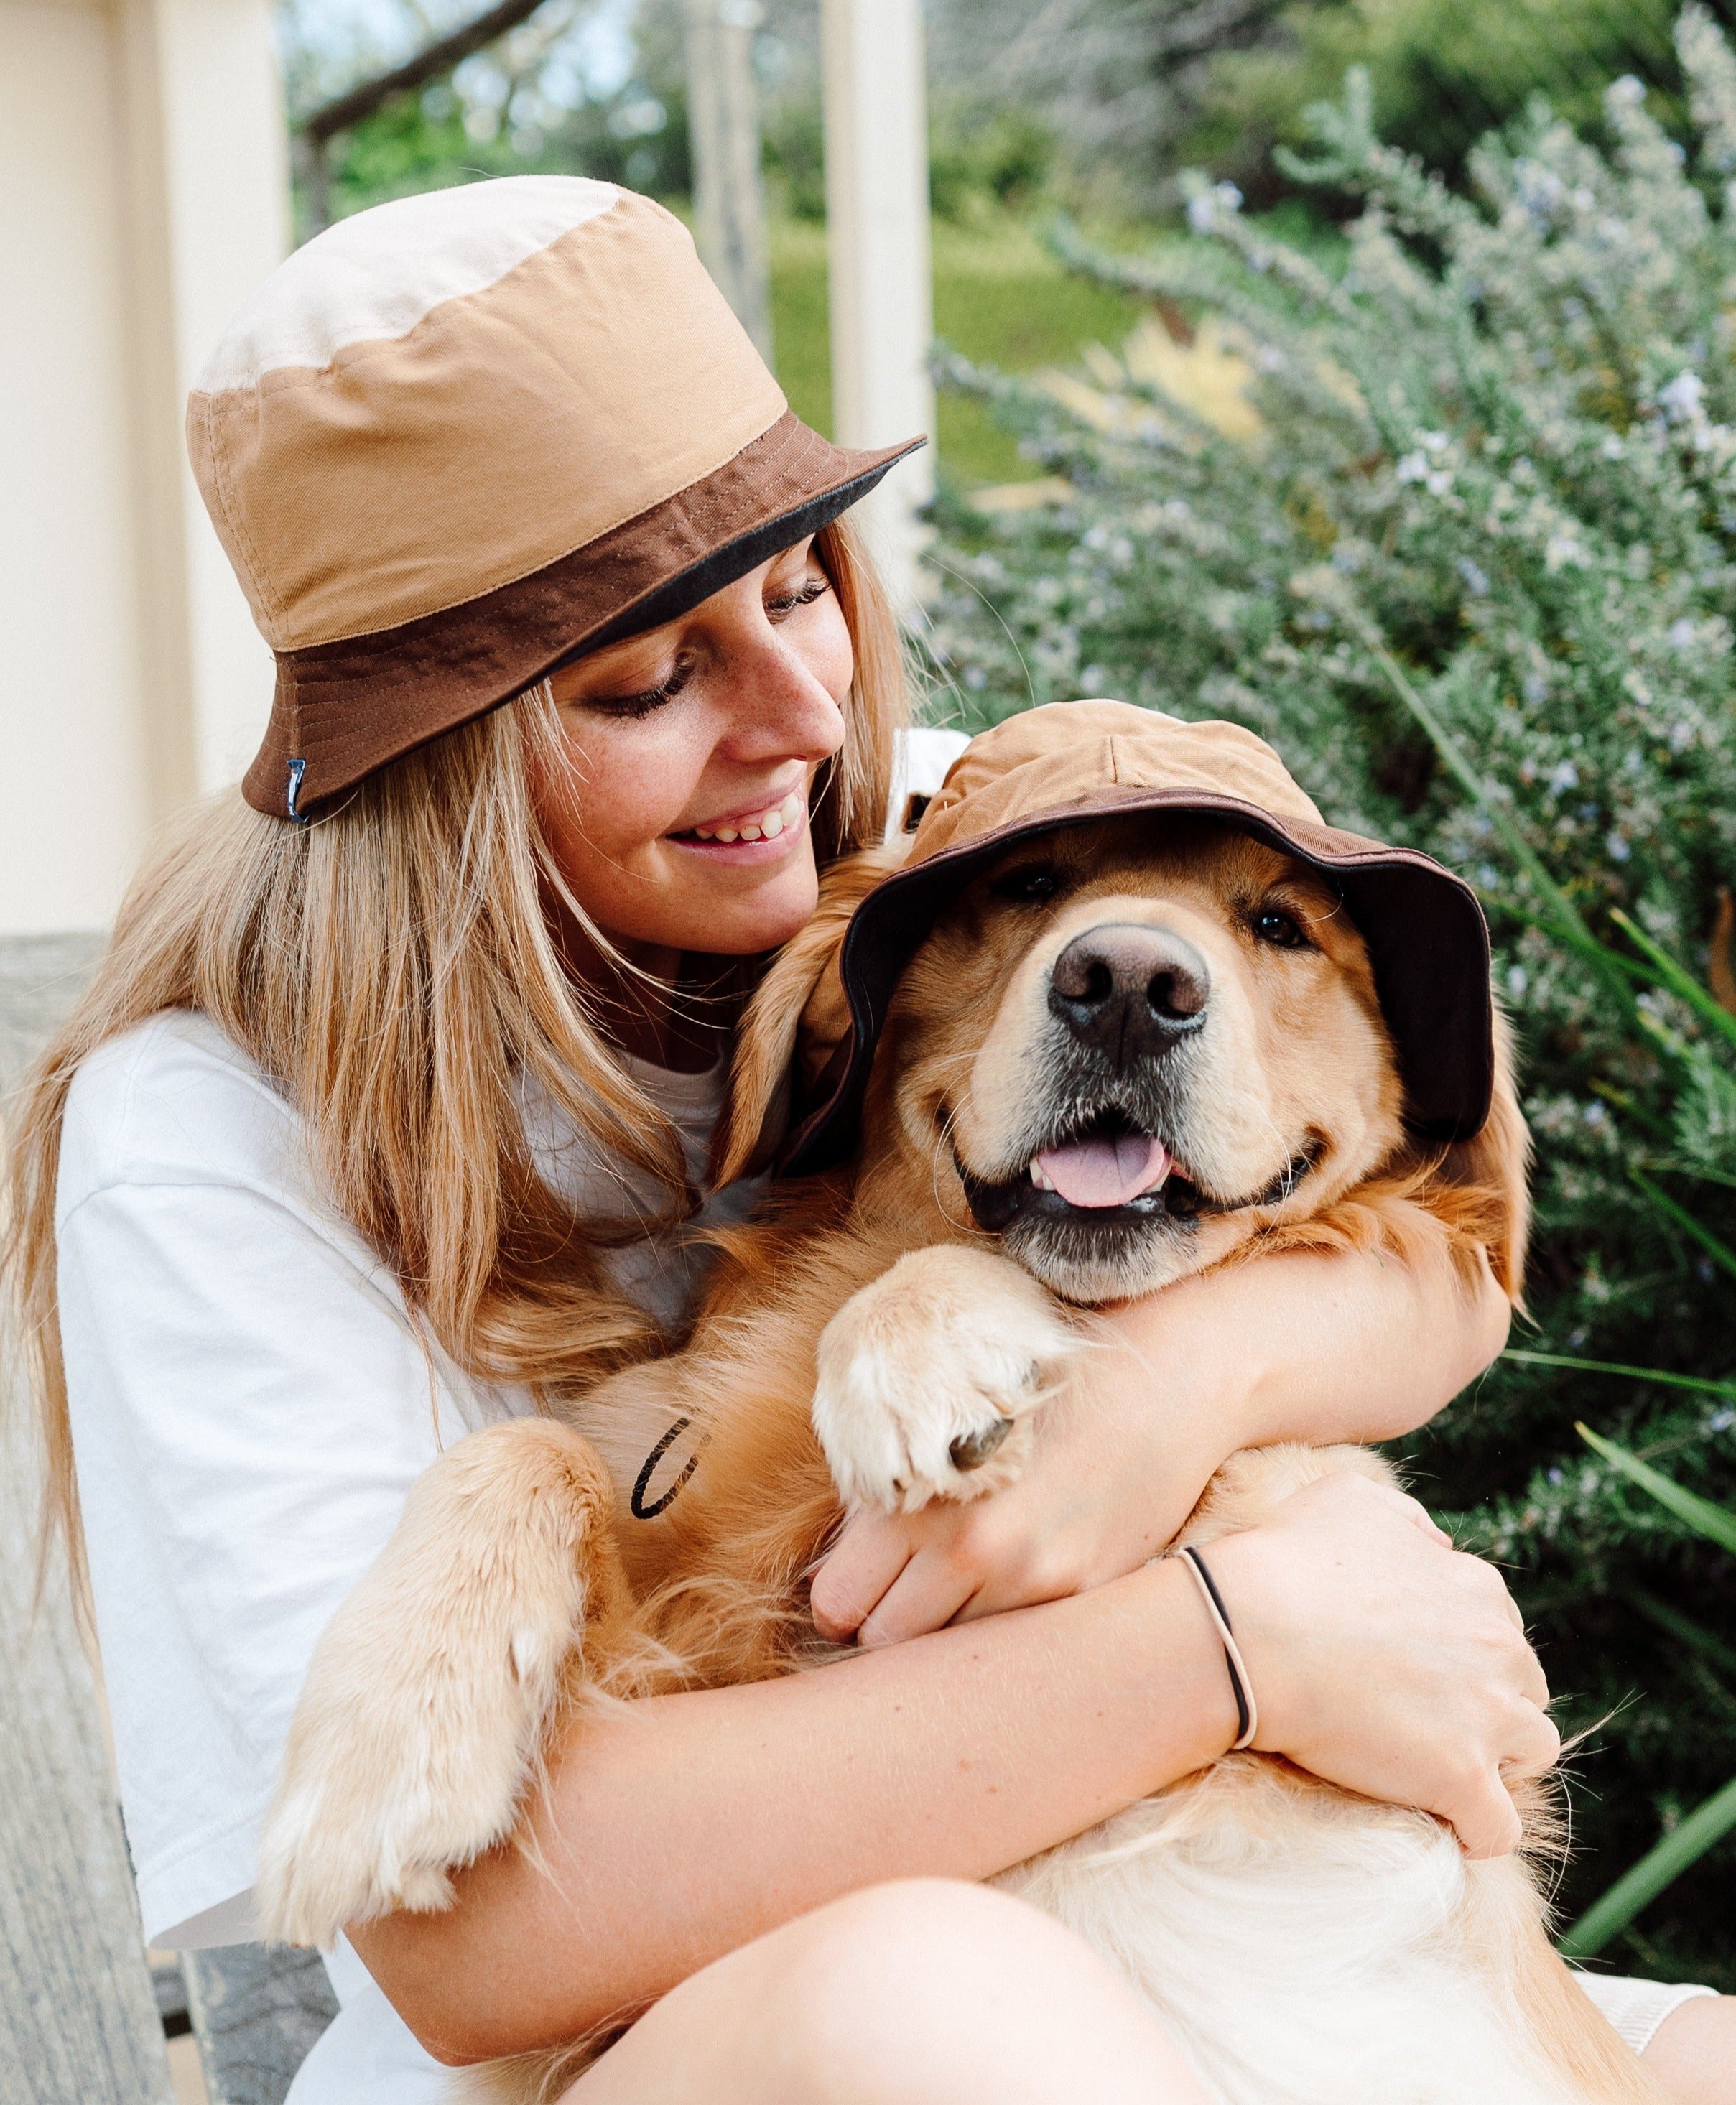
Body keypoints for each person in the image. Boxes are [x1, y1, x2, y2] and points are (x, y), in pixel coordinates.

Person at [7, 178, 1728, 2105]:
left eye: (802, 584)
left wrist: (1166, 1390)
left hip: (1171, 1929)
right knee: (932, 1995)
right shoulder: (207, 1137)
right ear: (438, 778)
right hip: (687, 2026)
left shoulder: (932, 852)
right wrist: (1244, 1646)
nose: (804, 714)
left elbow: (1446, 1253)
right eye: (647, 679)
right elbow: (475, 1951)